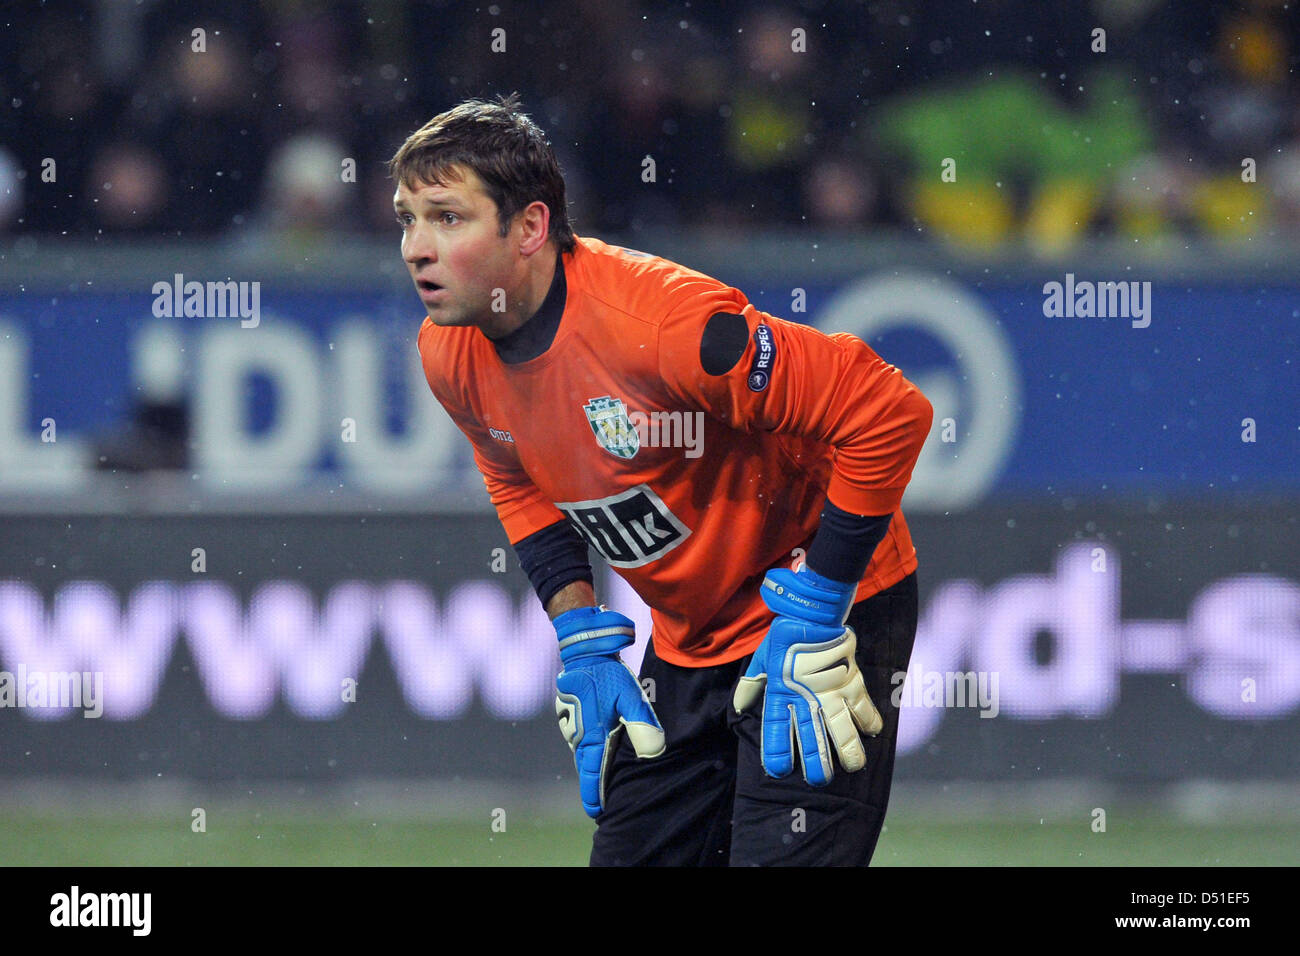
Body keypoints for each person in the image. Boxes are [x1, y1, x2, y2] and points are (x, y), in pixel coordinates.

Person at [390, 93, 933, 866]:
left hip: (819, 618)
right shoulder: (450, 354)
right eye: (407, 219)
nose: (416, 247)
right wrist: (579, 632)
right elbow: (512, 472)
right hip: (688, 641)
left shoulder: (666, 326)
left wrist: (820, 606)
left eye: (447, 217)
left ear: (532, 227)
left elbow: (887, 411)